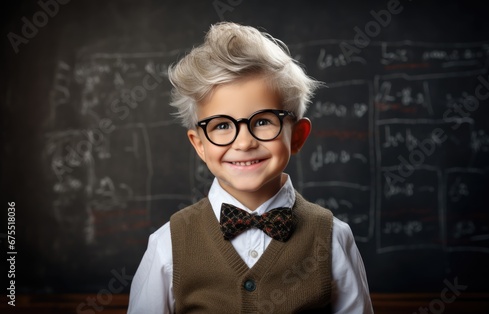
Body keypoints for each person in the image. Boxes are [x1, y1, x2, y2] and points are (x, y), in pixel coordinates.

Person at [128, 22, 373, 313]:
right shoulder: (167, 244)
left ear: (297, 136)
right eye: (221, 125)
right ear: (199, 145)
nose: (244, 143)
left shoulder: (333, 237)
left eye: (263, 121)